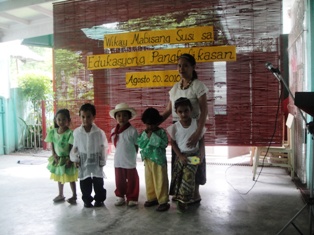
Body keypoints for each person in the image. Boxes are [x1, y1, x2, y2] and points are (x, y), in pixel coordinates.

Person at [161, 53, 209, 203]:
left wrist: (198, 132)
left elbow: (204, 110)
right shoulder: (175, 88)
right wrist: (153, 123)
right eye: (179, 65)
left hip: (194, 127)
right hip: (179, 129)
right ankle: (181, 190)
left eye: (185, 65)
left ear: (193, 67)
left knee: (195, 161)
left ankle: (195, 192)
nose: (181, 68)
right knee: (180, 161)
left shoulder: (198, 86)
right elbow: (169, 110)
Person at [167, 97, 205, 212]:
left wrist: (201, 155)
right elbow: (172, 143)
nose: (183, 114)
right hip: (182, 156)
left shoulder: (196, 123)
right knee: (179, 176)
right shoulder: (175, 127)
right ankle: (179, 196)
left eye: (186, 111)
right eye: (180, 112)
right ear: (176, 112)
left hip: (194, 156)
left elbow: (202, 140)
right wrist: (180, 156)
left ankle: (184, 200)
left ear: (191, 109)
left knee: (188, 176)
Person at [70, 103, 108, 208]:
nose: (85, 119)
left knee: (98, 181)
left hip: (96, 161)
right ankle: (87, 200)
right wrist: (75, 159)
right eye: (83, 117)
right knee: (84, 182)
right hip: (83, 161)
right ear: (80, 117)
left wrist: (102, 160)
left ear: (94, 117)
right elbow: (75, 147)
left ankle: (99, 199)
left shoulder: (99, 133)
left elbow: (103, 147)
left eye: (88, 116)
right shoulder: (77, 133)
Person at [137, 107, 170, 212]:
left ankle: (163, 201)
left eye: (152, 124)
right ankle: (152, 198)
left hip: (159, 161)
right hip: (148, 160)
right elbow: (140, 144)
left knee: (160, 180)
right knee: (149, 179)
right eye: (147, 124)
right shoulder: (144, 133)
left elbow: (164, 144)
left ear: (157, 122)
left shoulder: (161, 132)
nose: (150, 126)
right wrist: (147, 136)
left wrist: (153, 137)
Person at [45, 109, 78, 204]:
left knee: (71, 178)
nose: (61, 122)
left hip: (68, 159)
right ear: (55, 120)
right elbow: (53, 145)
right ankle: (61, 194)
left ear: (68, 120)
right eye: (59, 119)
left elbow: (72, 147)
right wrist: (54, 155)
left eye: (64, 119)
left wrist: (71, 159)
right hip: (58, 159)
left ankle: (74, 196)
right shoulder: (53, 132)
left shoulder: (70, 133)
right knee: (59, 177)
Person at [109, 103, 139, 207]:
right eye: (119, 115)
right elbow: (115, 144)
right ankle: (120, 196)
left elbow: (136, 145)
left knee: (132, 180)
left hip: (129, 159)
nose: (122, 118)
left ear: (129, 117)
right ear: (115, 117)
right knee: (119, 179)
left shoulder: (132, 131)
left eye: (125, 115)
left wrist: (133, 155)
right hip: (118, 159)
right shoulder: (113, 131)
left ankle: (132, 197)